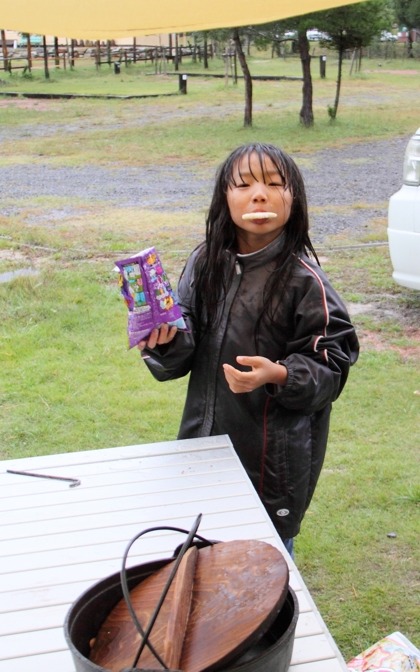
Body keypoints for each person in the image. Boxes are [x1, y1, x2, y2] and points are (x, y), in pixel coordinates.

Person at [140, 142, 359, 557]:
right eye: (243, 184)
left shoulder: (304, 280)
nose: (260, 194)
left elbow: (331, 365)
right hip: (201, 442)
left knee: (263, 561)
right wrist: (167, 342)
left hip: (271, 463)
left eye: (275, 184)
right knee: (199, 551)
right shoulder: (206, 262)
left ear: (294, 198)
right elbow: (181, 348)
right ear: (225, 196)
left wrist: (278, 375)